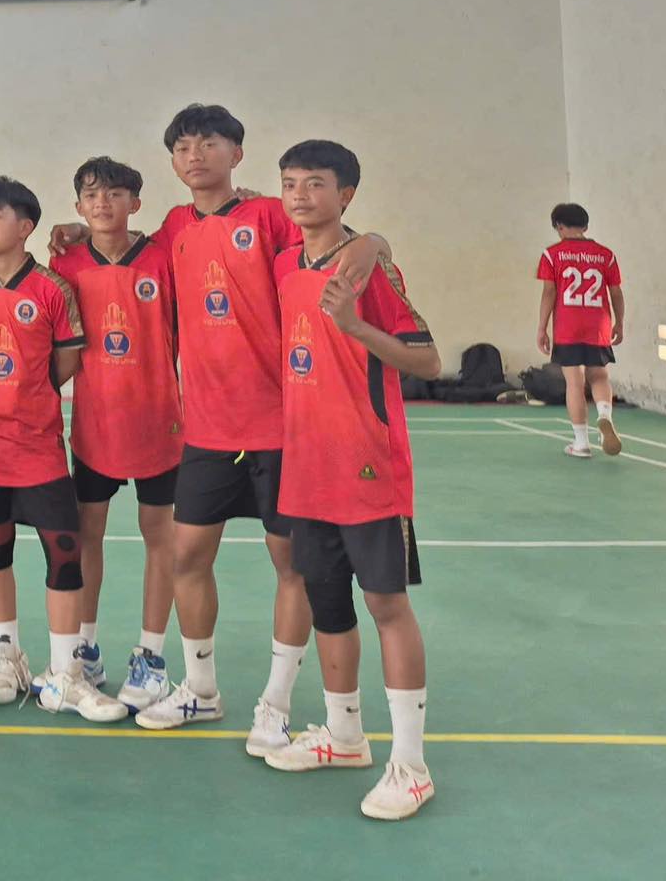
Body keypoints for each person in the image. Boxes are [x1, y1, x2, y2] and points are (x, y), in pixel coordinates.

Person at [116, 105, 381, 754]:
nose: (195, 155)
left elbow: (338, 242)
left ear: (236, 154)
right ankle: (201, 689)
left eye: (209, 143)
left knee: (291, 565)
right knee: (186, 557)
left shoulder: (268, 216)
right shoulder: (174, 227)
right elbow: (121, 254)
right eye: (183, 146)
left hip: (281, 428)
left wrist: (375, 241)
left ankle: (276, 703)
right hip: (207, 429)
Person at [267, 140, 441, 821]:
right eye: (290, 183)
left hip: (369, 467)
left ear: (345, 195)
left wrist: (353, 324)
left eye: (315, 183)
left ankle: (412, 767)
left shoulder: (371, 271)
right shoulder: (285, 264)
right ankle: (344, 738)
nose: (300, 194)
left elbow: (427, 361)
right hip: (306, 466)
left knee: (386, 604)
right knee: (327, 603)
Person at [0, 177, 126, 721]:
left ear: (26, 227)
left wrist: (31, 393)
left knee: (64, 551)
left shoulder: (52, 288)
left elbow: (66, 359)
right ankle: (8, 660)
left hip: (37, 447)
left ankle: (66, 675)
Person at [49, 156, 183, 712]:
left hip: (160, 423)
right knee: (88, 535)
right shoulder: (65, 266)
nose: (103, 204)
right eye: (92, 196)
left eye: (115, 194)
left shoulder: (163, 257)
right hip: (96, 426)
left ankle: (151, 654)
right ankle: (85, 646)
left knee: (161, 536)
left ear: (136, 202)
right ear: (78, 206)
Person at [536, 204, 625, 458]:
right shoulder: (605, 255)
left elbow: (549, 292)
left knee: (574, 382)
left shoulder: (552, 254)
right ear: (585, 226)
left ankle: (581, 443)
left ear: (559, 227)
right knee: (600, 376)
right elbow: (616, 293)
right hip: (598, 325)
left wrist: (542, 328)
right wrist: (619, 322)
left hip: (568, 326)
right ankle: (604, 415)